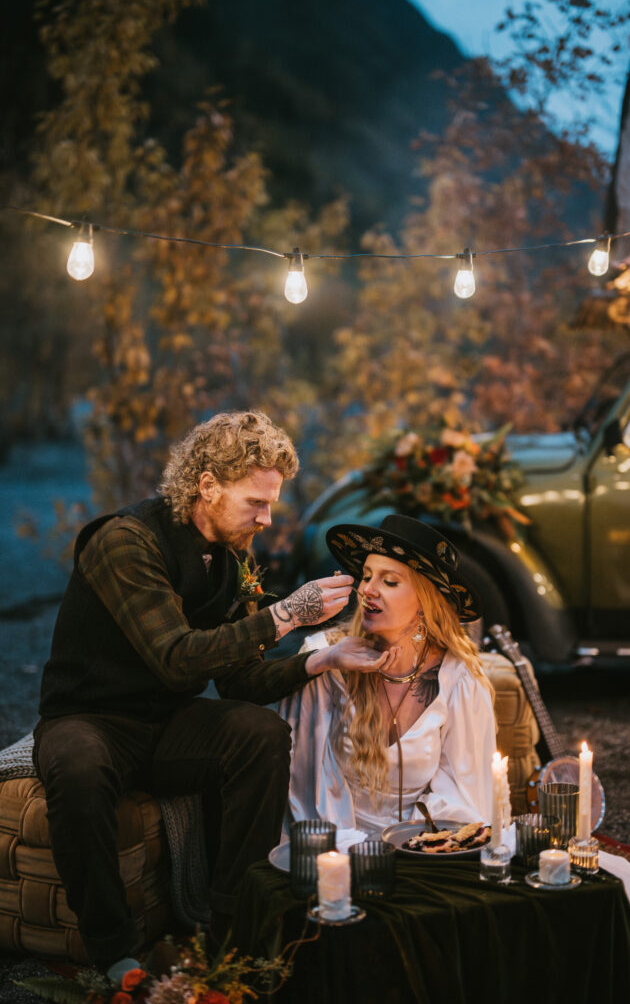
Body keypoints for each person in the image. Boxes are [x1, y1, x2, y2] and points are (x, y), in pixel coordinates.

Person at [33, 411, 388, 975]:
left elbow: (242, 680)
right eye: (256, 503)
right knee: (77, 767)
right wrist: (285, 614)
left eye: (271, 503)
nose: (267, 519)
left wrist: (322, 658)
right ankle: (115, 954)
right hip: (90, 718)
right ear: (207, 486)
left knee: (260, 733)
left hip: (167, 723)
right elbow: (176, 659)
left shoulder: (236, 560)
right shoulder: (125, 541)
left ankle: (232, 927)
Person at [279, 514, 497, 836]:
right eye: (366, 576)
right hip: (337, 847)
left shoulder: (459, 680)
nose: (367, 590)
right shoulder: (325, 659)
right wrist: (358, 855)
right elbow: (306, 788)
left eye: (389, 581)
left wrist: (414, 846)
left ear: (425, 601)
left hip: (422, 848)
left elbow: (464, 796)